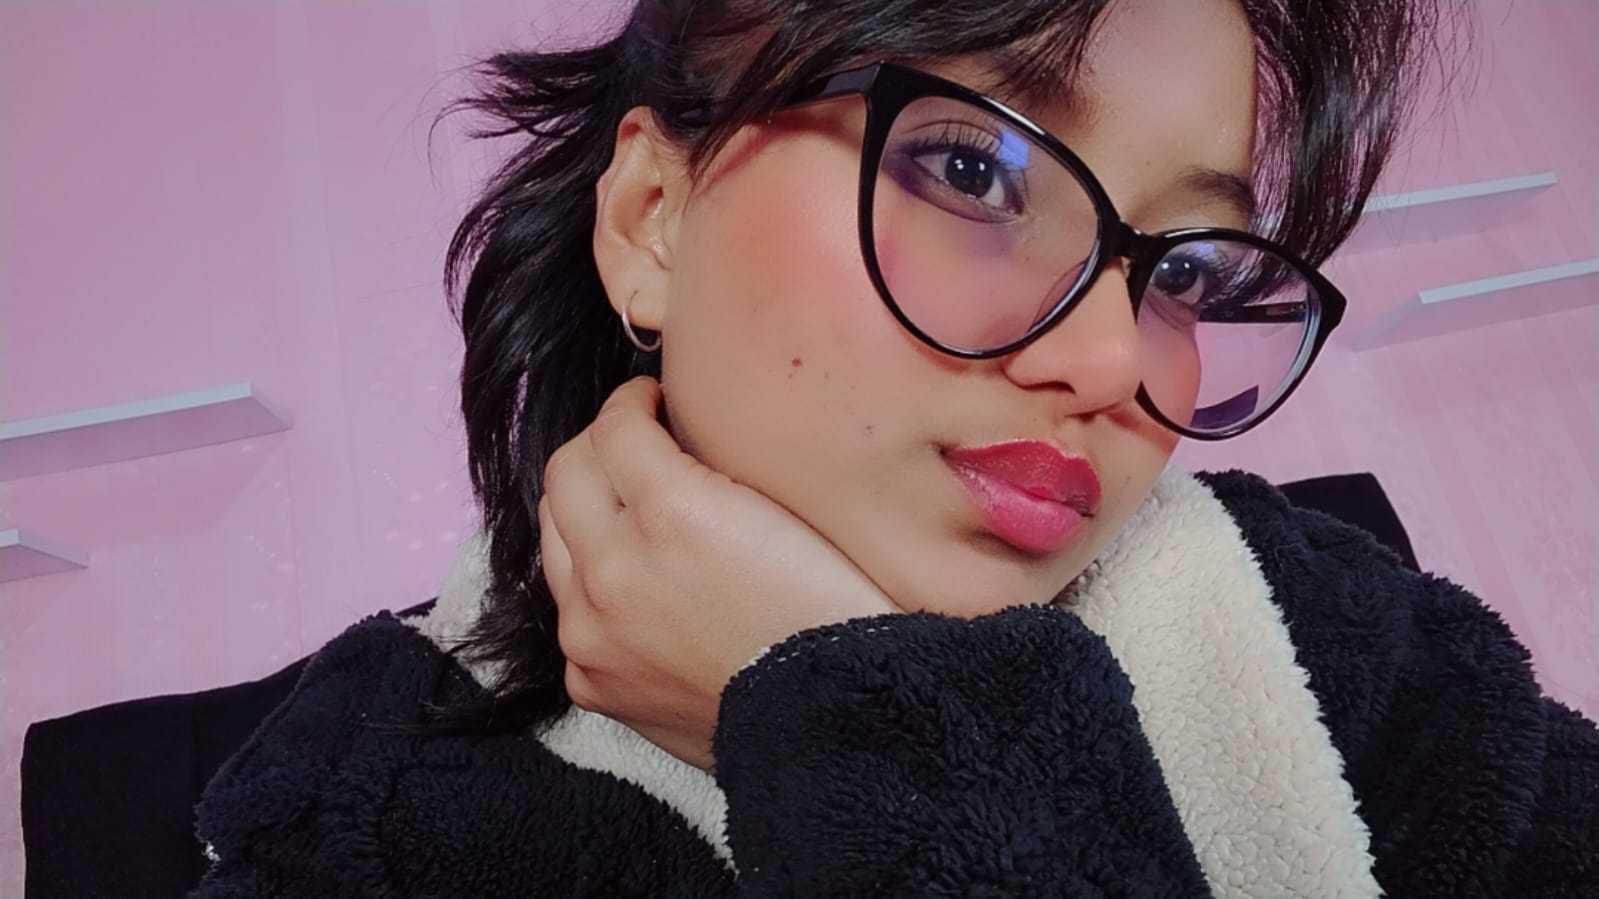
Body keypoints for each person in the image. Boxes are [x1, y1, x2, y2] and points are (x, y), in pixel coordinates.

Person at [188, 0, 1598, 895]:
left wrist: (838, 705)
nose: (1114, 363)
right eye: (974, 169)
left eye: (1185, 270)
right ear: (652, 220)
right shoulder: (355, 822)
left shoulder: (1315, 627)